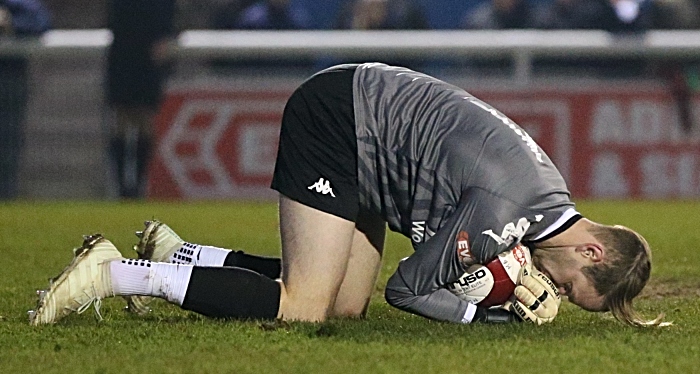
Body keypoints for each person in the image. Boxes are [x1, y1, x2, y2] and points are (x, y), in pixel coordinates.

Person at [29, 63, 662, 327]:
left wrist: (481, 271)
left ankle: (183, 254)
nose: (552, 290)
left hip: (373, 139)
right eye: (568, 287)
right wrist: (485, 312)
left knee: (344, 306)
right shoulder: (510, 210)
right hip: (341, 122)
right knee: (304, 305)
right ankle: (117, 274)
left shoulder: (546, 198)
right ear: (593, 254)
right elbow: (410, 288)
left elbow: (450, 236)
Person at [105, 0, 176, 199]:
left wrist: (167, 37)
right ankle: (122, 186)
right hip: (123, 52)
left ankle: (137, 184)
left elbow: (171, 16)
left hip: (149, 55)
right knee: (121, 118)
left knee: (145, 118)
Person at [0, 0, 50, 199]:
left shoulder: (16, 5)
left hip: (8, 83)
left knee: (7, 149)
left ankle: (5, 198)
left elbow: (40, 20)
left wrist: (10, 21)